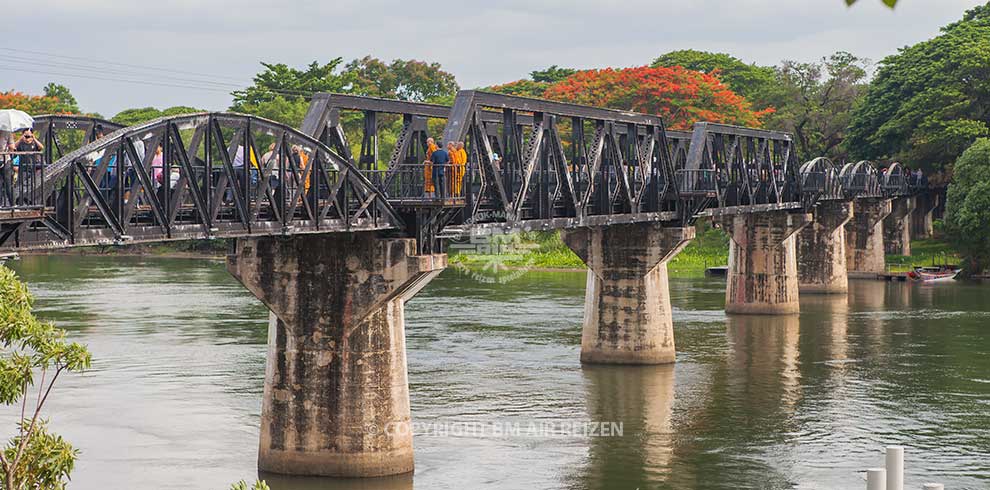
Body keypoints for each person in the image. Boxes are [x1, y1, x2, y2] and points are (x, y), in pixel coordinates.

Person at [14, 129, 44, 203]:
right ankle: (19, 201)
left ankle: (29, 201)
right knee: (21, 185)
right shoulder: (21, 144)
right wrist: (21, 138)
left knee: (31, 185)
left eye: (29, 136)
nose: (27, 138)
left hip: (32, 168)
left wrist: (34, 138)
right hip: (23, 168)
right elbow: (14, 147)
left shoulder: (34, 144)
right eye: (26, 135)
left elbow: (41, 147)